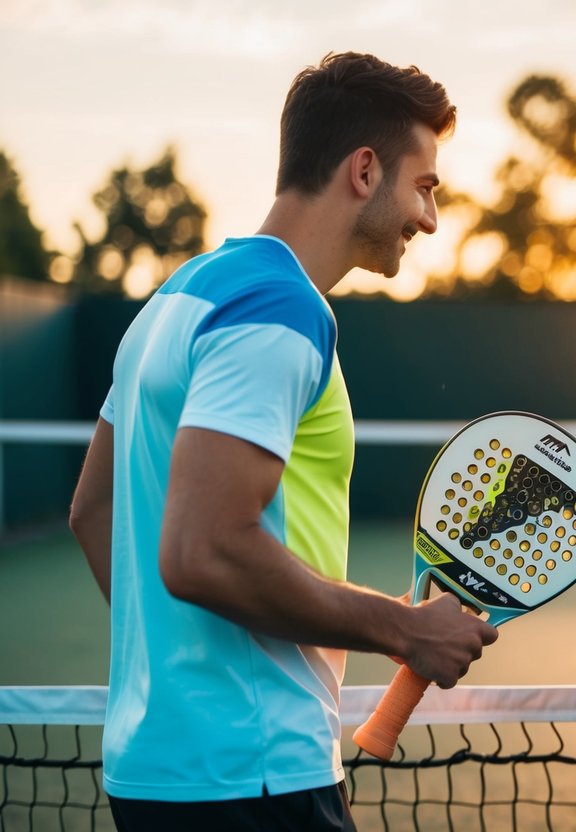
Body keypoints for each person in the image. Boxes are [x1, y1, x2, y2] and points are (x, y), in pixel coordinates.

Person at [67, 52, 498, 831]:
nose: (429, 218)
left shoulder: (177, 297)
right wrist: (402, 628)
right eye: (425, 186)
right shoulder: (282, 309)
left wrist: (186, 671)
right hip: (254, 779)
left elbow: (91, 511)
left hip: (153, 774)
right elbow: (204, 551)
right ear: (364, 170)